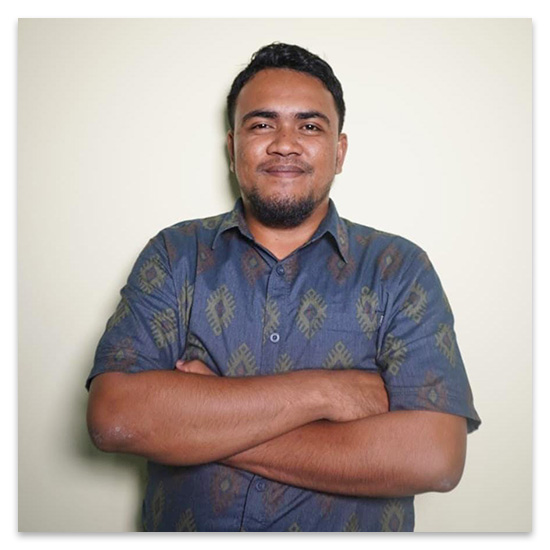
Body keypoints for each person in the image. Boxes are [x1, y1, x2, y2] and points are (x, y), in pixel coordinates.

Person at [86, 43, 481, 532]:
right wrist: (326, 393)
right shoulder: (175, 254)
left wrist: (201, 423)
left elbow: (434, 458)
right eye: (262, 125)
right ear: (232, 147)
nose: (285, 144)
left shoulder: (399, 269)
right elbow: (115, 417)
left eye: (310, 126)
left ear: (339, 152)